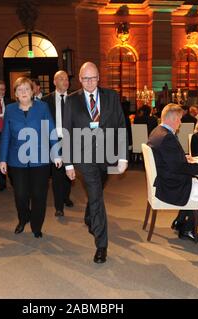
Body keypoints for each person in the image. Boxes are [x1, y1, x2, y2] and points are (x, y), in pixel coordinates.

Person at [63, 62, 128, 264]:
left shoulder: (111, 97)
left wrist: (123, 156)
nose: (90, 82)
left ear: (99, 77)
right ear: (80, 79)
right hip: (84, 157)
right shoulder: (72, 101)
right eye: (85, 78)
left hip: (106, 155)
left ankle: (90, 215)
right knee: (97, 197)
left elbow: (120, 125)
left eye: (93, 78)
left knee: (97, 192)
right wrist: (68, 164)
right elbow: (66, 131)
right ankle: (102, 245)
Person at [0, 77, 60, 238]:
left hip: (40, 159)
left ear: (33, 91)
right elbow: (5, 135)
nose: (24, 92)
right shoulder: (10, 109)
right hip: (16, 161)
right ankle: (23, 218)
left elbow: (51, 130)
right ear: (15, 94)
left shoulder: (43, 107)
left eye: (27, 89)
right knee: (20, 195)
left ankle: (36, 225)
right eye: (20, 90)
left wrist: (56, 153)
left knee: (39, 195)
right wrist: (2, 159)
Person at [147, 104, 198, 243]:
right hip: (173, 185)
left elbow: (170, 159)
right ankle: (188, 229)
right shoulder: (167, 137)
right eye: (179, 119)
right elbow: (178, 167)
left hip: (166, 179)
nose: (180, 122)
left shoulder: (157, 131)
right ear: (172, 118)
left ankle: (179, 222)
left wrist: (184, 157)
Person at [42, 70, 74, 217]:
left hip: (71, 140)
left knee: (69, 172)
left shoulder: (75, 98)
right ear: (54, 82)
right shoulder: (46, 100)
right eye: (61, 79)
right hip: (54, 141)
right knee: (57, 175)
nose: (65, 81)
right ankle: (58, 206)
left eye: (67, 79)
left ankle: (66, 196)